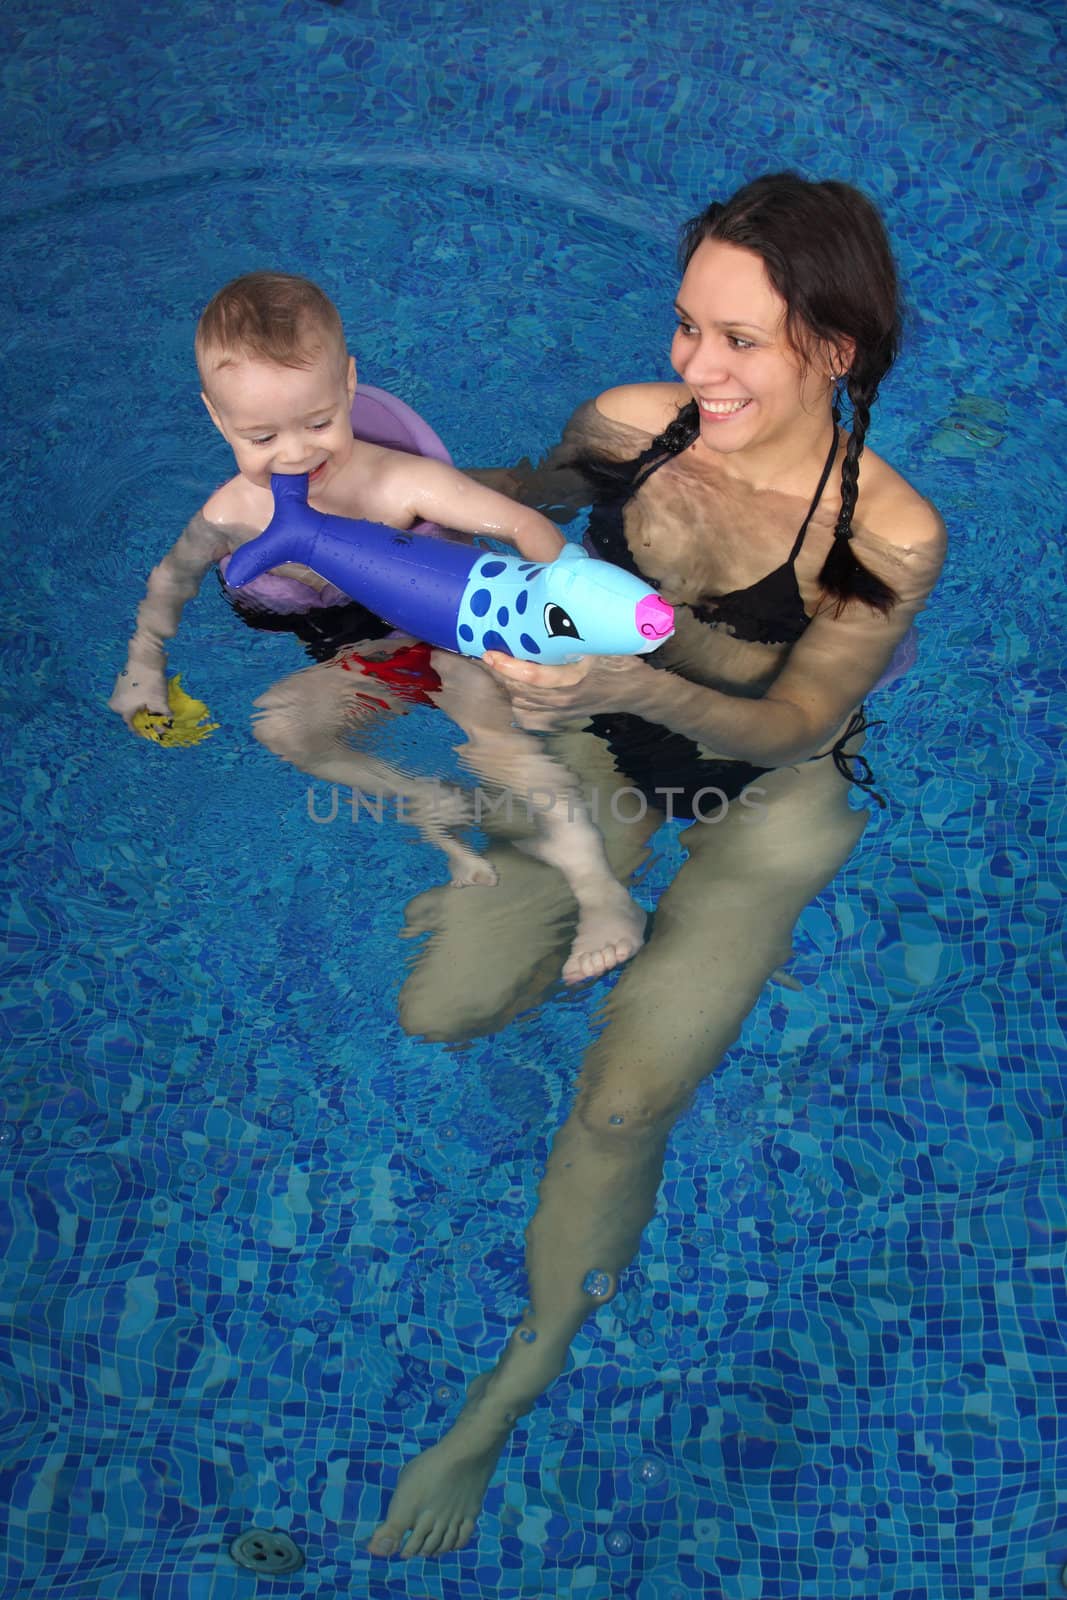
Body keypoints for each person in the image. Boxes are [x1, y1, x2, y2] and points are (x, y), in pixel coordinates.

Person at [366, 172, 947, 1559]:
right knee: (437, 1012)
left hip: (769, 791)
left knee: (625, 1110)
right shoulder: (631, 429)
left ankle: (505, 1394)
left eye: (735, 339)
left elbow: (800, 716)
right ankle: (552, 899)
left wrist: (640, 684)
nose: (694, 365)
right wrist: (398, 498)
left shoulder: (886, 534)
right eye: (686, 324)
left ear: (831, 349)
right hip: (602, 746)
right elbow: (534, 497)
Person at [108, 272, 647, 980]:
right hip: (360, 650)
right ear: (216, 419)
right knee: (278, 724)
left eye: (319, 422)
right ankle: (424, 796)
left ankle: (602, 894)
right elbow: (171, 578)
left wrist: (566, 599)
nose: (297, 454)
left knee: (498, 743)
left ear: (350, 387)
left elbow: (517, 526)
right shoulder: (232, 510)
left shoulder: (399, 482)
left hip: (449, 626)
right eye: (261, 435)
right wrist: (144, 659)